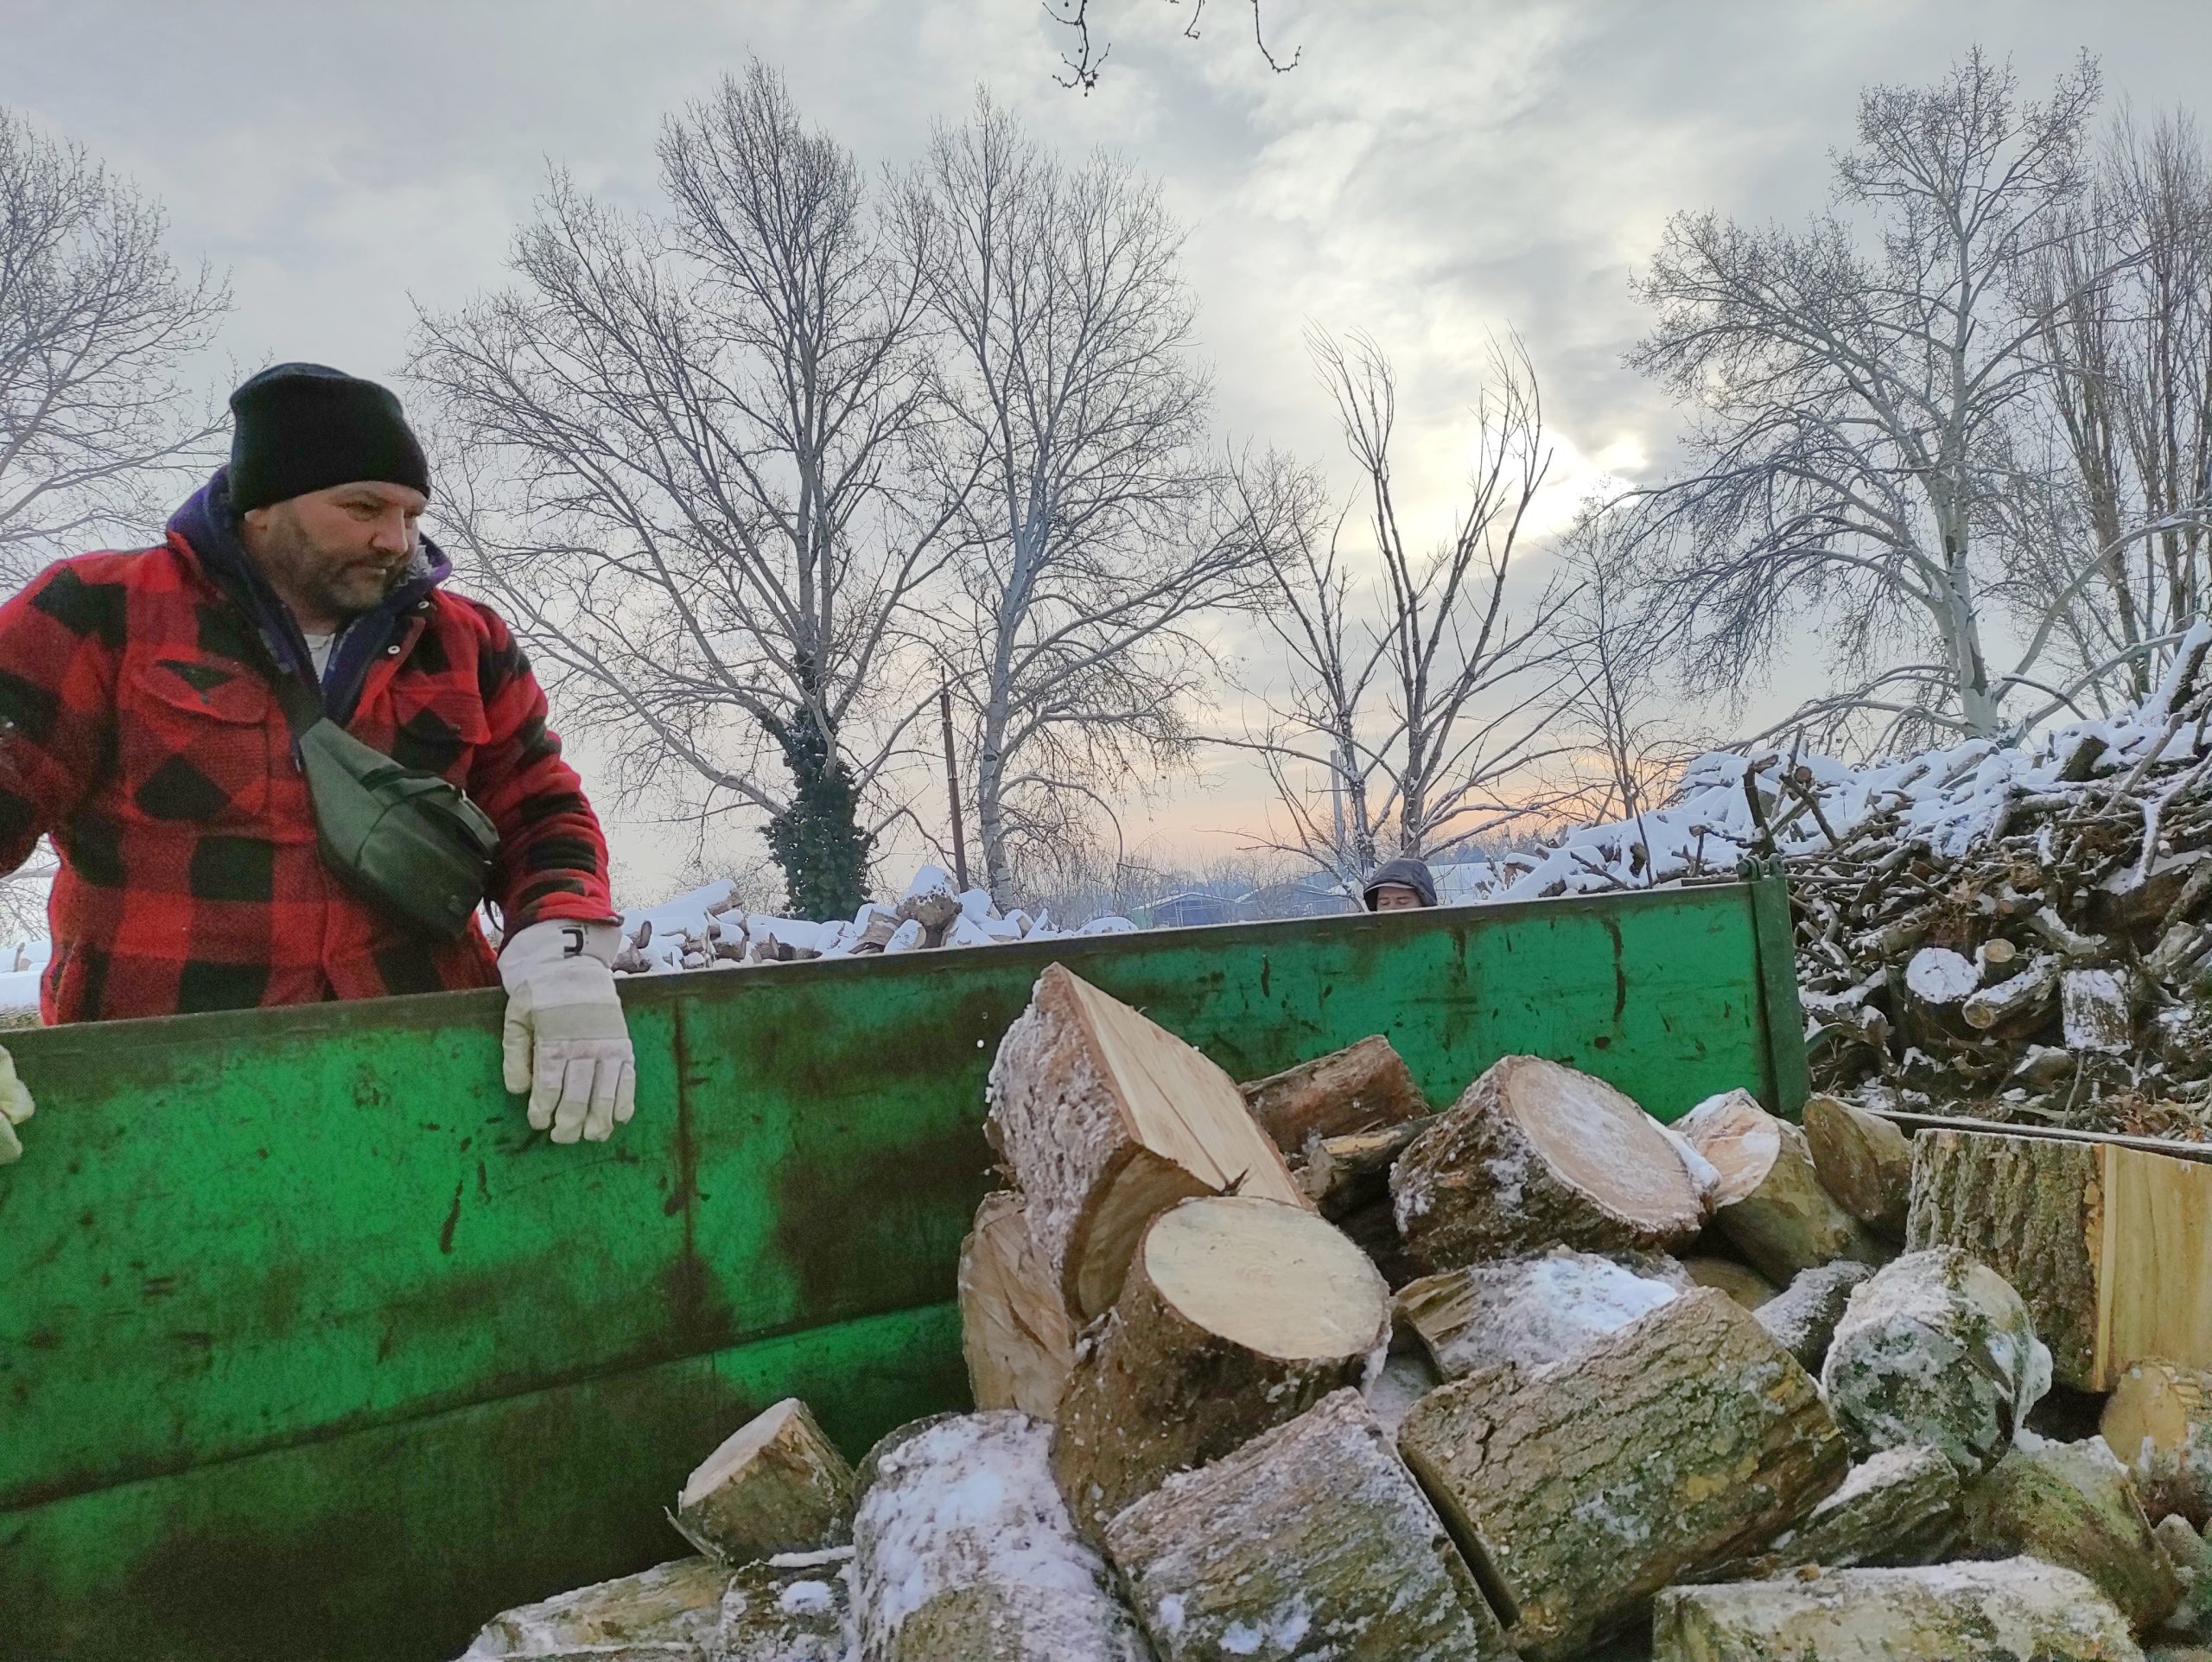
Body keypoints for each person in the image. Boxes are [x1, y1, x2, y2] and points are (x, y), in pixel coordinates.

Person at [0, 364, 634, 1164]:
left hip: (432, 1087)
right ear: (262, 506)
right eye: (363, 507)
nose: (396, 540)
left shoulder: (468, 642)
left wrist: (562, 947)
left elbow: (541, 811)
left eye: (410, 513)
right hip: (155, 1099)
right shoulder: (99, 610)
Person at [1362, 855, 1438, 912]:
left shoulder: (1445, 931)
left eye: (1402, 902)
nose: (1391, 908)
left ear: (1424, 904)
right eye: (1384, 903)